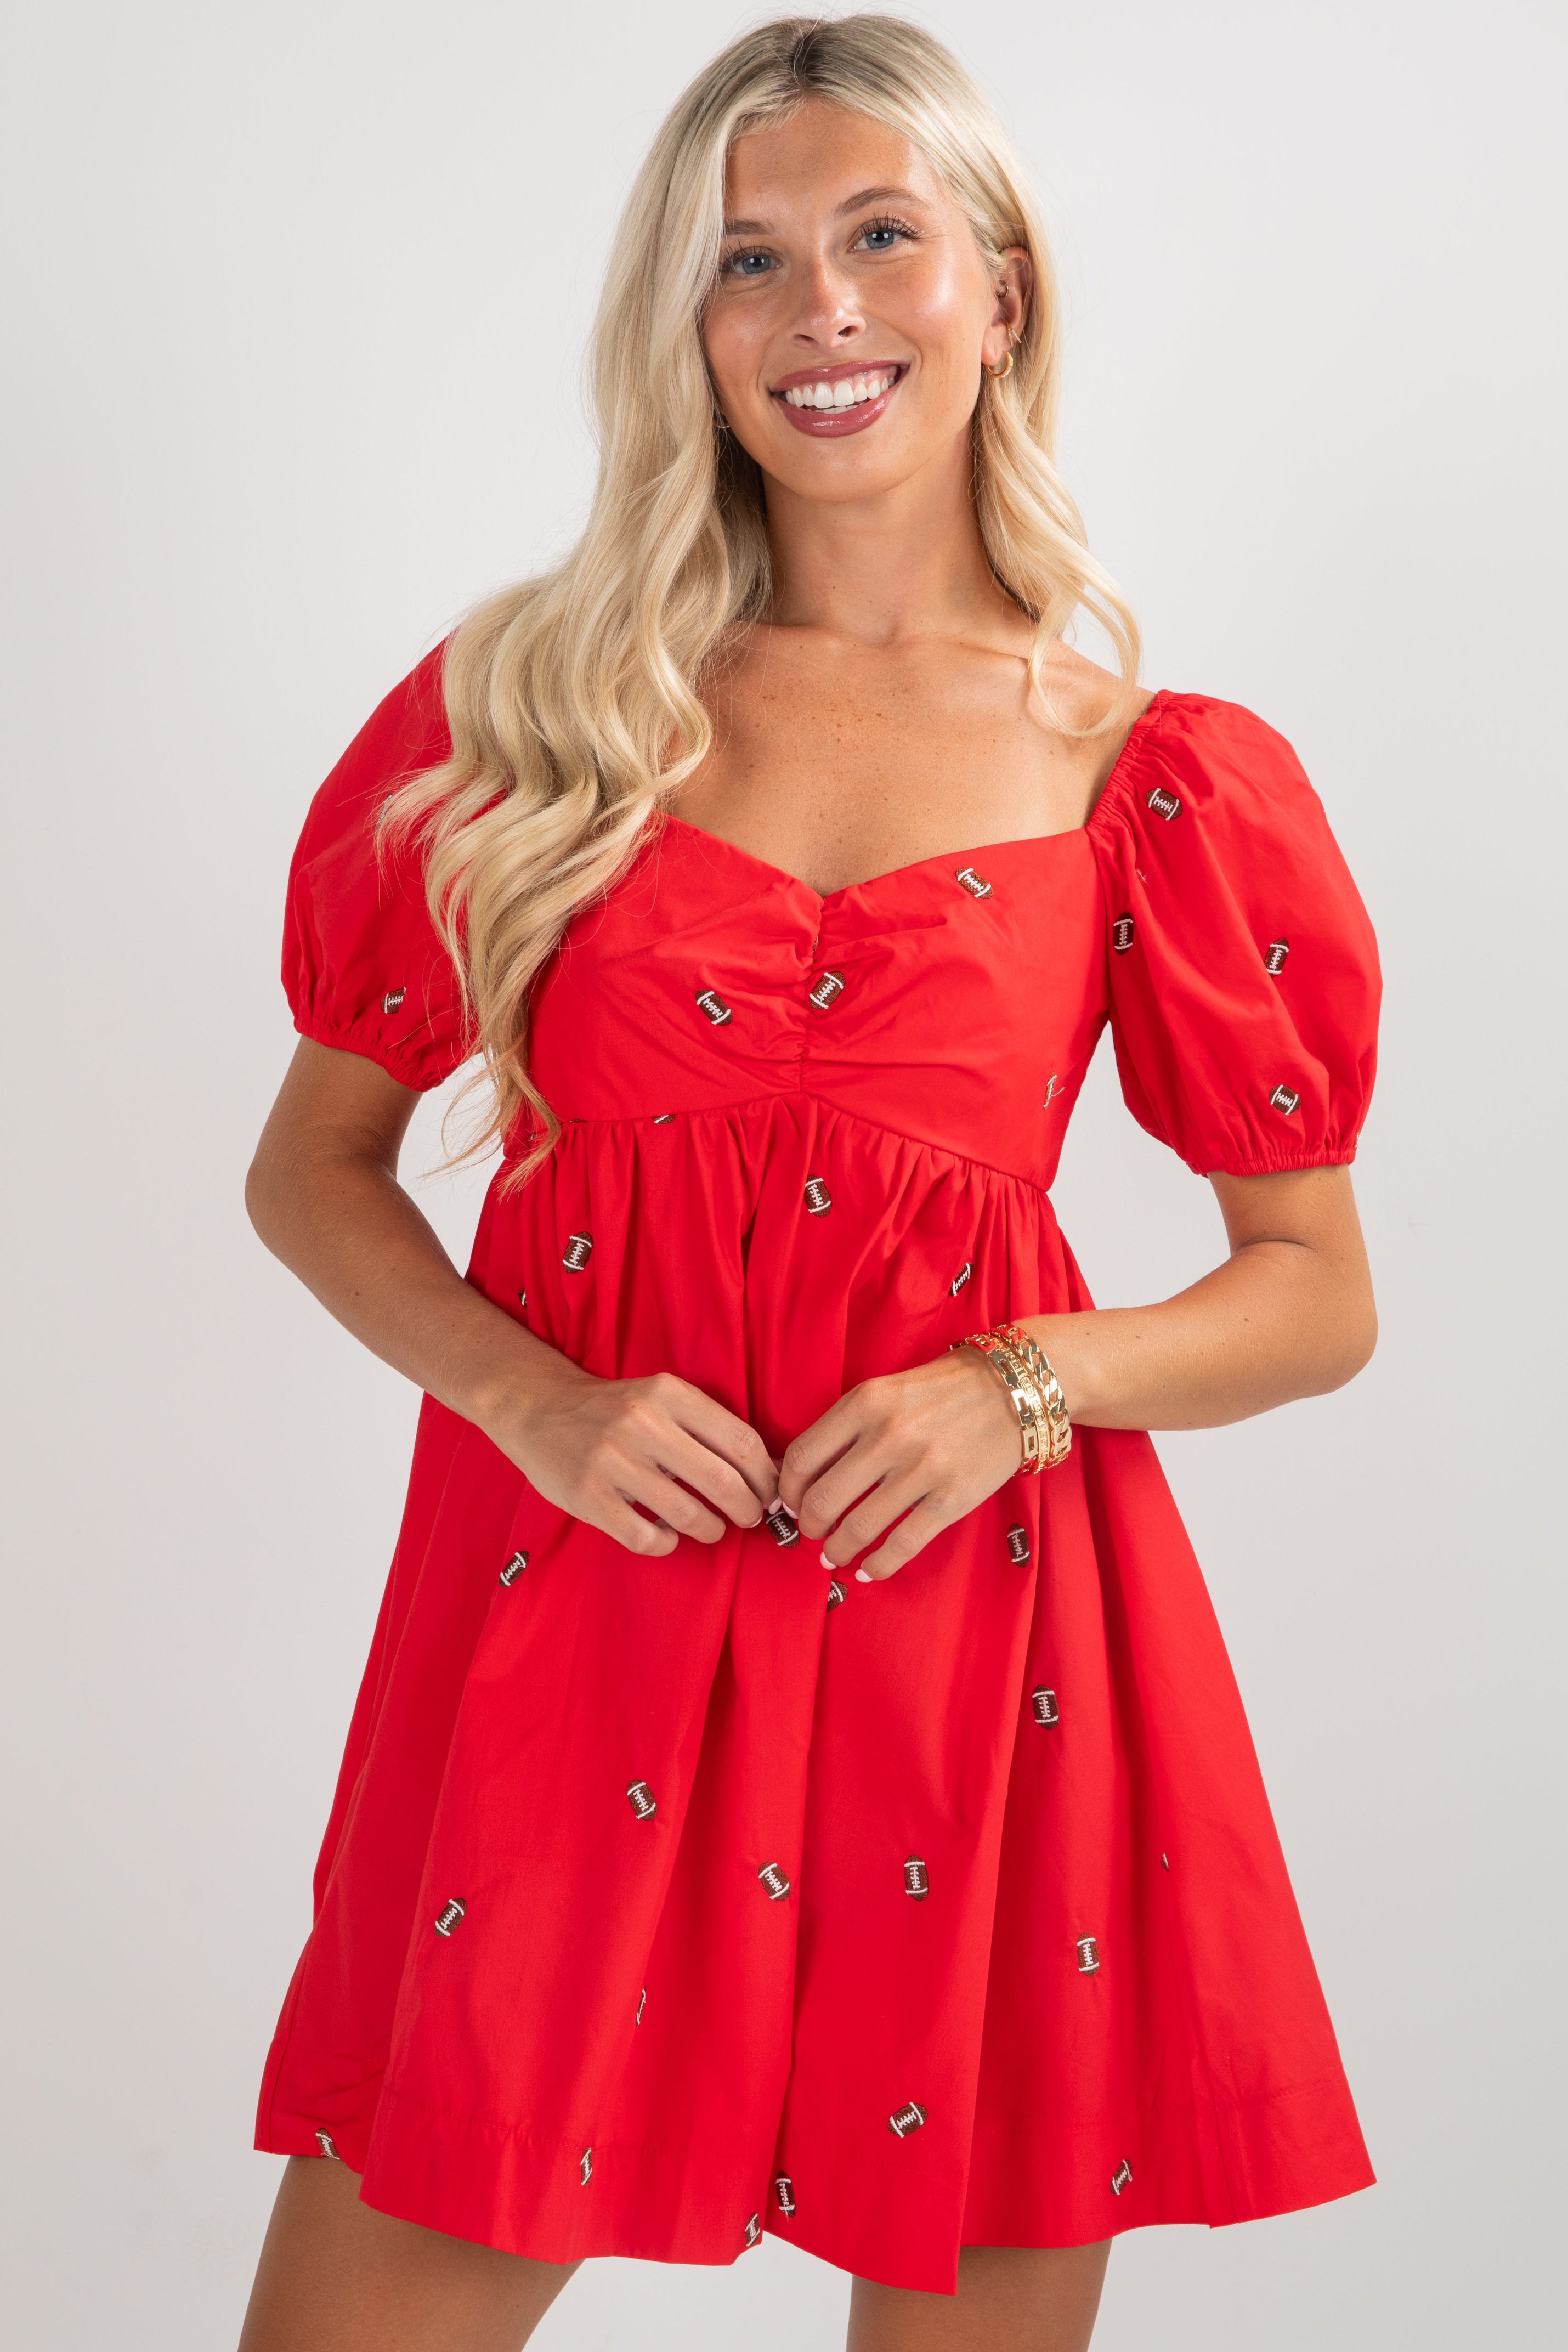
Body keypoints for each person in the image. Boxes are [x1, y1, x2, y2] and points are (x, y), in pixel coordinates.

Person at [235, 17, 1381, 2351]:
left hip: (983, 1643)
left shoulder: (1141, 771)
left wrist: (1024, 1378)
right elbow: (315, 1171)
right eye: (745, 261)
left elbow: (1310, 1290)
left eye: (879, 236)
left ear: (1001, 288)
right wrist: (533, 1400)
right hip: (589, 1616)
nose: (818, 309)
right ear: (689, 327)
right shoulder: (535, 714)